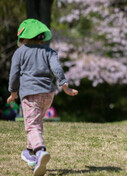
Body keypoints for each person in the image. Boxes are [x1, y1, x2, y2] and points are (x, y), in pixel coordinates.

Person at [7, 19, 78, 176]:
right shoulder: (49, 52)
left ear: (23, 38)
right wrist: (65, 85)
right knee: (36, 122)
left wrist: (13, 92)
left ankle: (40, 151)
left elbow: (14, 74)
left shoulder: (20, 52)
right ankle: (30, 153)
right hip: (48, 94)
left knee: (32, 125)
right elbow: (57, 69)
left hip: (31, 94)